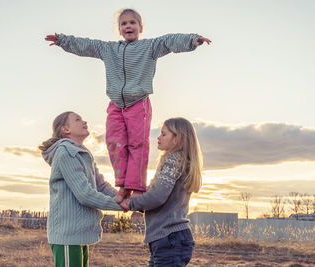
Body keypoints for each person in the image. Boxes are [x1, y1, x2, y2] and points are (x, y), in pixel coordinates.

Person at [45, 8, 211, 203]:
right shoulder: (108, 49)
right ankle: (123, 186)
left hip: (139, 102)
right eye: (123, 24)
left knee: (137, 144)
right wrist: (63, 41)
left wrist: (192, 40)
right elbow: (87, 45)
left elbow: (169, 41)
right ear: (119, 29)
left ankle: (137, 187)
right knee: (114, 143)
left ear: (141, 27)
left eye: (132, 23)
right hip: (116, 104)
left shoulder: (150, 47)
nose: (128, 26)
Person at [39, 111, 123, 267]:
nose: (84, 122)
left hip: (78, 235)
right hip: (67, 235)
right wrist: (121, 204)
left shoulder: (83, 152)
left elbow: (101, 185)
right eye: (78, 120)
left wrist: (125, 198)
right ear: (65, 129)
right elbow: (84, 194)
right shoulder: (65, 152)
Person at [120, 117, 203, 267]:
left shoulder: (173, 160)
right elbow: (158, 191)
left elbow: (157, 196)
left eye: (164, 134)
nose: (158, 137)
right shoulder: (180, 161)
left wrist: (132, 203)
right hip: (170, 239)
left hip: (170, 238)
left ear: (177, 139)